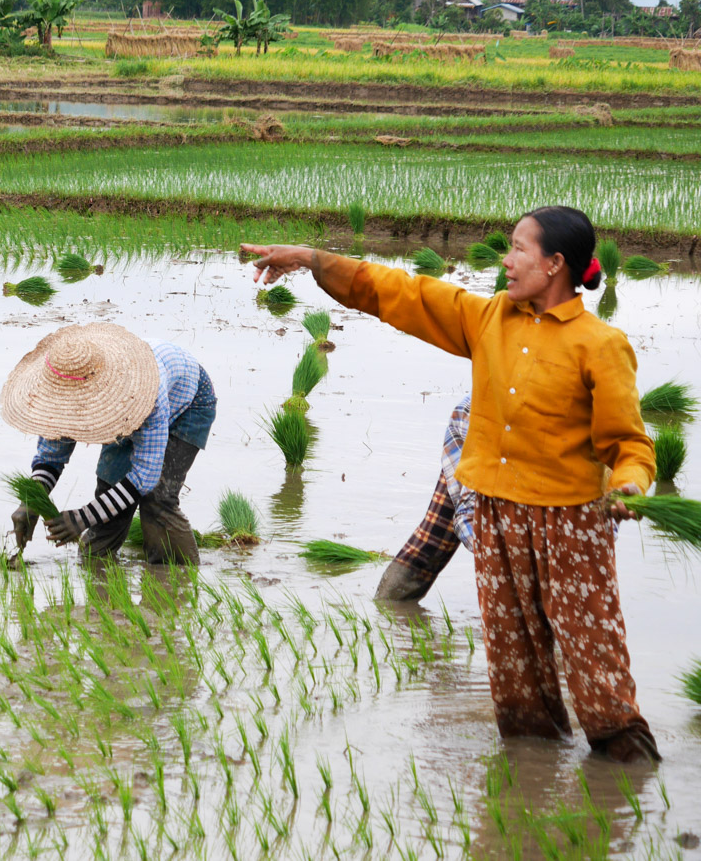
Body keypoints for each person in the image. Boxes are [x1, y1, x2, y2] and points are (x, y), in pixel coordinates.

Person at [243, 205, 659, 762]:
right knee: (515, 674)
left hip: (571, 523)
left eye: (517, 249)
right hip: (497, 516)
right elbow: (402, 293)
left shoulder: (600, 344)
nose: (505, 262)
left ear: (556, 263)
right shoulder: (487, 319)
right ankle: (530, 782)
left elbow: (628, 444)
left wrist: (630, 484)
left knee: (593, 659)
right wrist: (316, 261)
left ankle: (628, 771)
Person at [2, 322, 217, 565]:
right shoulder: (63, 396)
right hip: (131, 407)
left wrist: (83, 517)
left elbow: (144, 477)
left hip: (187, 404)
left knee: (157, 499)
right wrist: (30, 501)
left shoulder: (147, 392)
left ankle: (177, 580)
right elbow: (51, 458)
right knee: (110, 490)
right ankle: (99, 571)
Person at [375, 395, 474, 601]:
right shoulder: (469, 413)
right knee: (432, 540)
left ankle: (389, 607)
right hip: (478, 428)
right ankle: (388, 609)